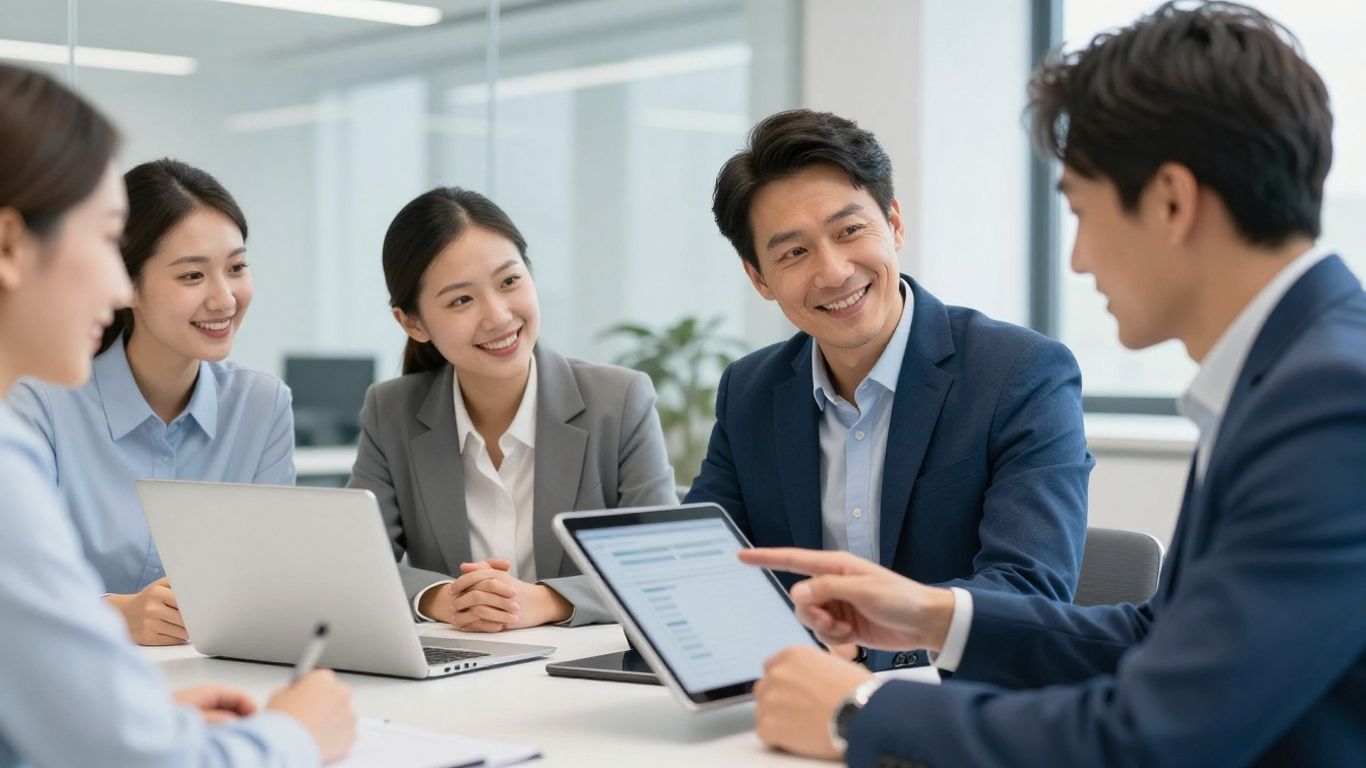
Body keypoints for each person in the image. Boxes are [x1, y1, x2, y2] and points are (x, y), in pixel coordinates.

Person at [741, 3, 1366, 766]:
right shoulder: (1297, 371)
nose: (1076, 260)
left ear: (1171, 201)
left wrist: (857, 714)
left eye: (1079, 211)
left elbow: (1150, 736)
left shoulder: (1332, 403)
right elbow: (1158, 639)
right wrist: (934, 613)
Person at [0, 63, 354, 767]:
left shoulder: (259, 402)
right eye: (104, 241)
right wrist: (294, 736)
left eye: (235, 267)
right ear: (10, 247)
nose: (114, 282)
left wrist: (130, 712)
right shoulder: (15, 440)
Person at [684, 108, 1092, 670]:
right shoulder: (750, 390)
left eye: (850, 231)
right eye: (794, 253)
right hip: (786, 703)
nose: (833, 272)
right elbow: (697, 571)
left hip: (955, 709)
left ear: (894, 223)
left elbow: (1029, 589)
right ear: (759, 278)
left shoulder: (1021, 373)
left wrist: (861, 651)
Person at [348, 187, 677, 631]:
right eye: (461, 300)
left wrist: (550, 601)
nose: (499, 316)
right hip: (454, 680)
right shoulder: (391, 412)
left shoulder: (619, 402)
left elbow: (662, 567)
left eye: (509, 281)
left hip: (586, 679)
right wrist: (439, 598)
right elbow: (353, 567)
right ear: (413, 323)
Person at [6, 158, 294, 647]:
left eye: (237, 268)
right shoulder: (40, 403)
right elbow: (14, 587)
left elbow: (274, 577)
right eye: (191, 276)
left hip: (217, 675)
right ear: (126, 285)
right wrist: (114, 613)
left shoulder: (262, 404)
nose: (224, 299)